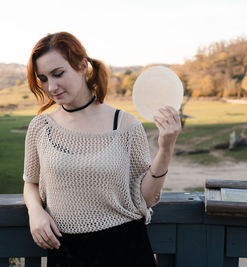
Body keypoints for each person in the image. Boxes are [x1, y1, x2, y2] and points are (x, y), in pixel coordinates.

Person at [23, 32, 181, 267]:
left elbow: (145, 198)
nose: (51, 87)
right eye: (43, 78)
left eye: (58, 74)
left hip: (126, 250)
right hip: (66, 253)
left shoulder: (126, 125)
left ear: (82, 66)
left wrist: (166, 148)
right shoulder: (41, 127)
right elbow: (30, 182)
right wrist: (35, 212)